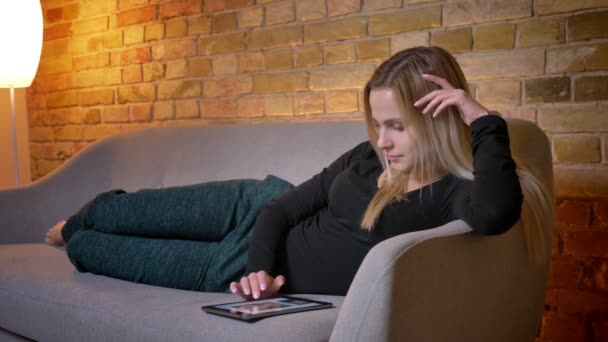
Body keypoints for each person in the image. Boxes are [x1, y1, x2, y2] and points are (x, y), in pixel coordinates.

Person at [45, 46, 553, 301]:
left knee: (92, 251)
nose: (382, 140)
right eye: (378, 125)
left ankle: (76, 235)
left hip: (230, 268)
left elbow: (495, 213)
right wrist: (261, 266)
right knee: (117, 210)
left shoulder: (452, 195)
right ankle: (74, 220)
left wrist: (482, 120)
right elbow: (280, 208)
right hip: (251, 208)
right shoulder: (366, 156)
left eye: (397, 127)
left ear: (439, 117)